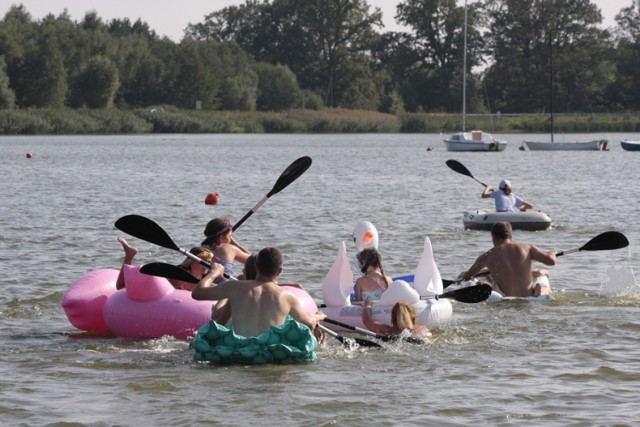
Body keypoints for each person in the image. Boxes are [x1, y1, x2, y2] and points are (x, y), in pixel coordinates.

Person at [192, 247, 325, 337]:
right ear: (279, 271)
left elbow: (197, 293)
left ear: (256, 266)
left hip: (241, 350)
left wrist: (214, 273)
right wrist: (319, 316)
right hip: (270, 354)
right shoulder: (287, 296)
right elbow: (308, 323)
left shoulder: (234, 287)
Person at [461, 221, 556, 298]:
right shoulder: (527, 247)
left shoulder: (487, 256)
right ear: (510, 237)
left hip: (505, 296)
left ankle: (495, 289)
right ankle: (539, 291)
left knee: (487, 281)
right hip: (528, 295)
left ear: (493, 237)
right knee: (541, 276)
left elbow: (468, 276)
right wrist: (552, 253)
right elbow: (551, 261)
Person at [115, 237, 211, 291]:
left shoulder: (204, 279)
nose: (207, 264)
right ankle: (129, 255)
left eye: (209, 262)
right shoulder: (180, 277)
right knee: (120, 287)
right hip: (153, 286)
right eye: (203, 261)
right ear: (191, 261)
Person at [362, 299, 432, 339]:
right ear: (413, 320)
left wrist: (367, 305)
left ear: (392, 320)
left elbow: (366, 321)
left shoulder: (387, 330)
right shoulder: (422, 330)